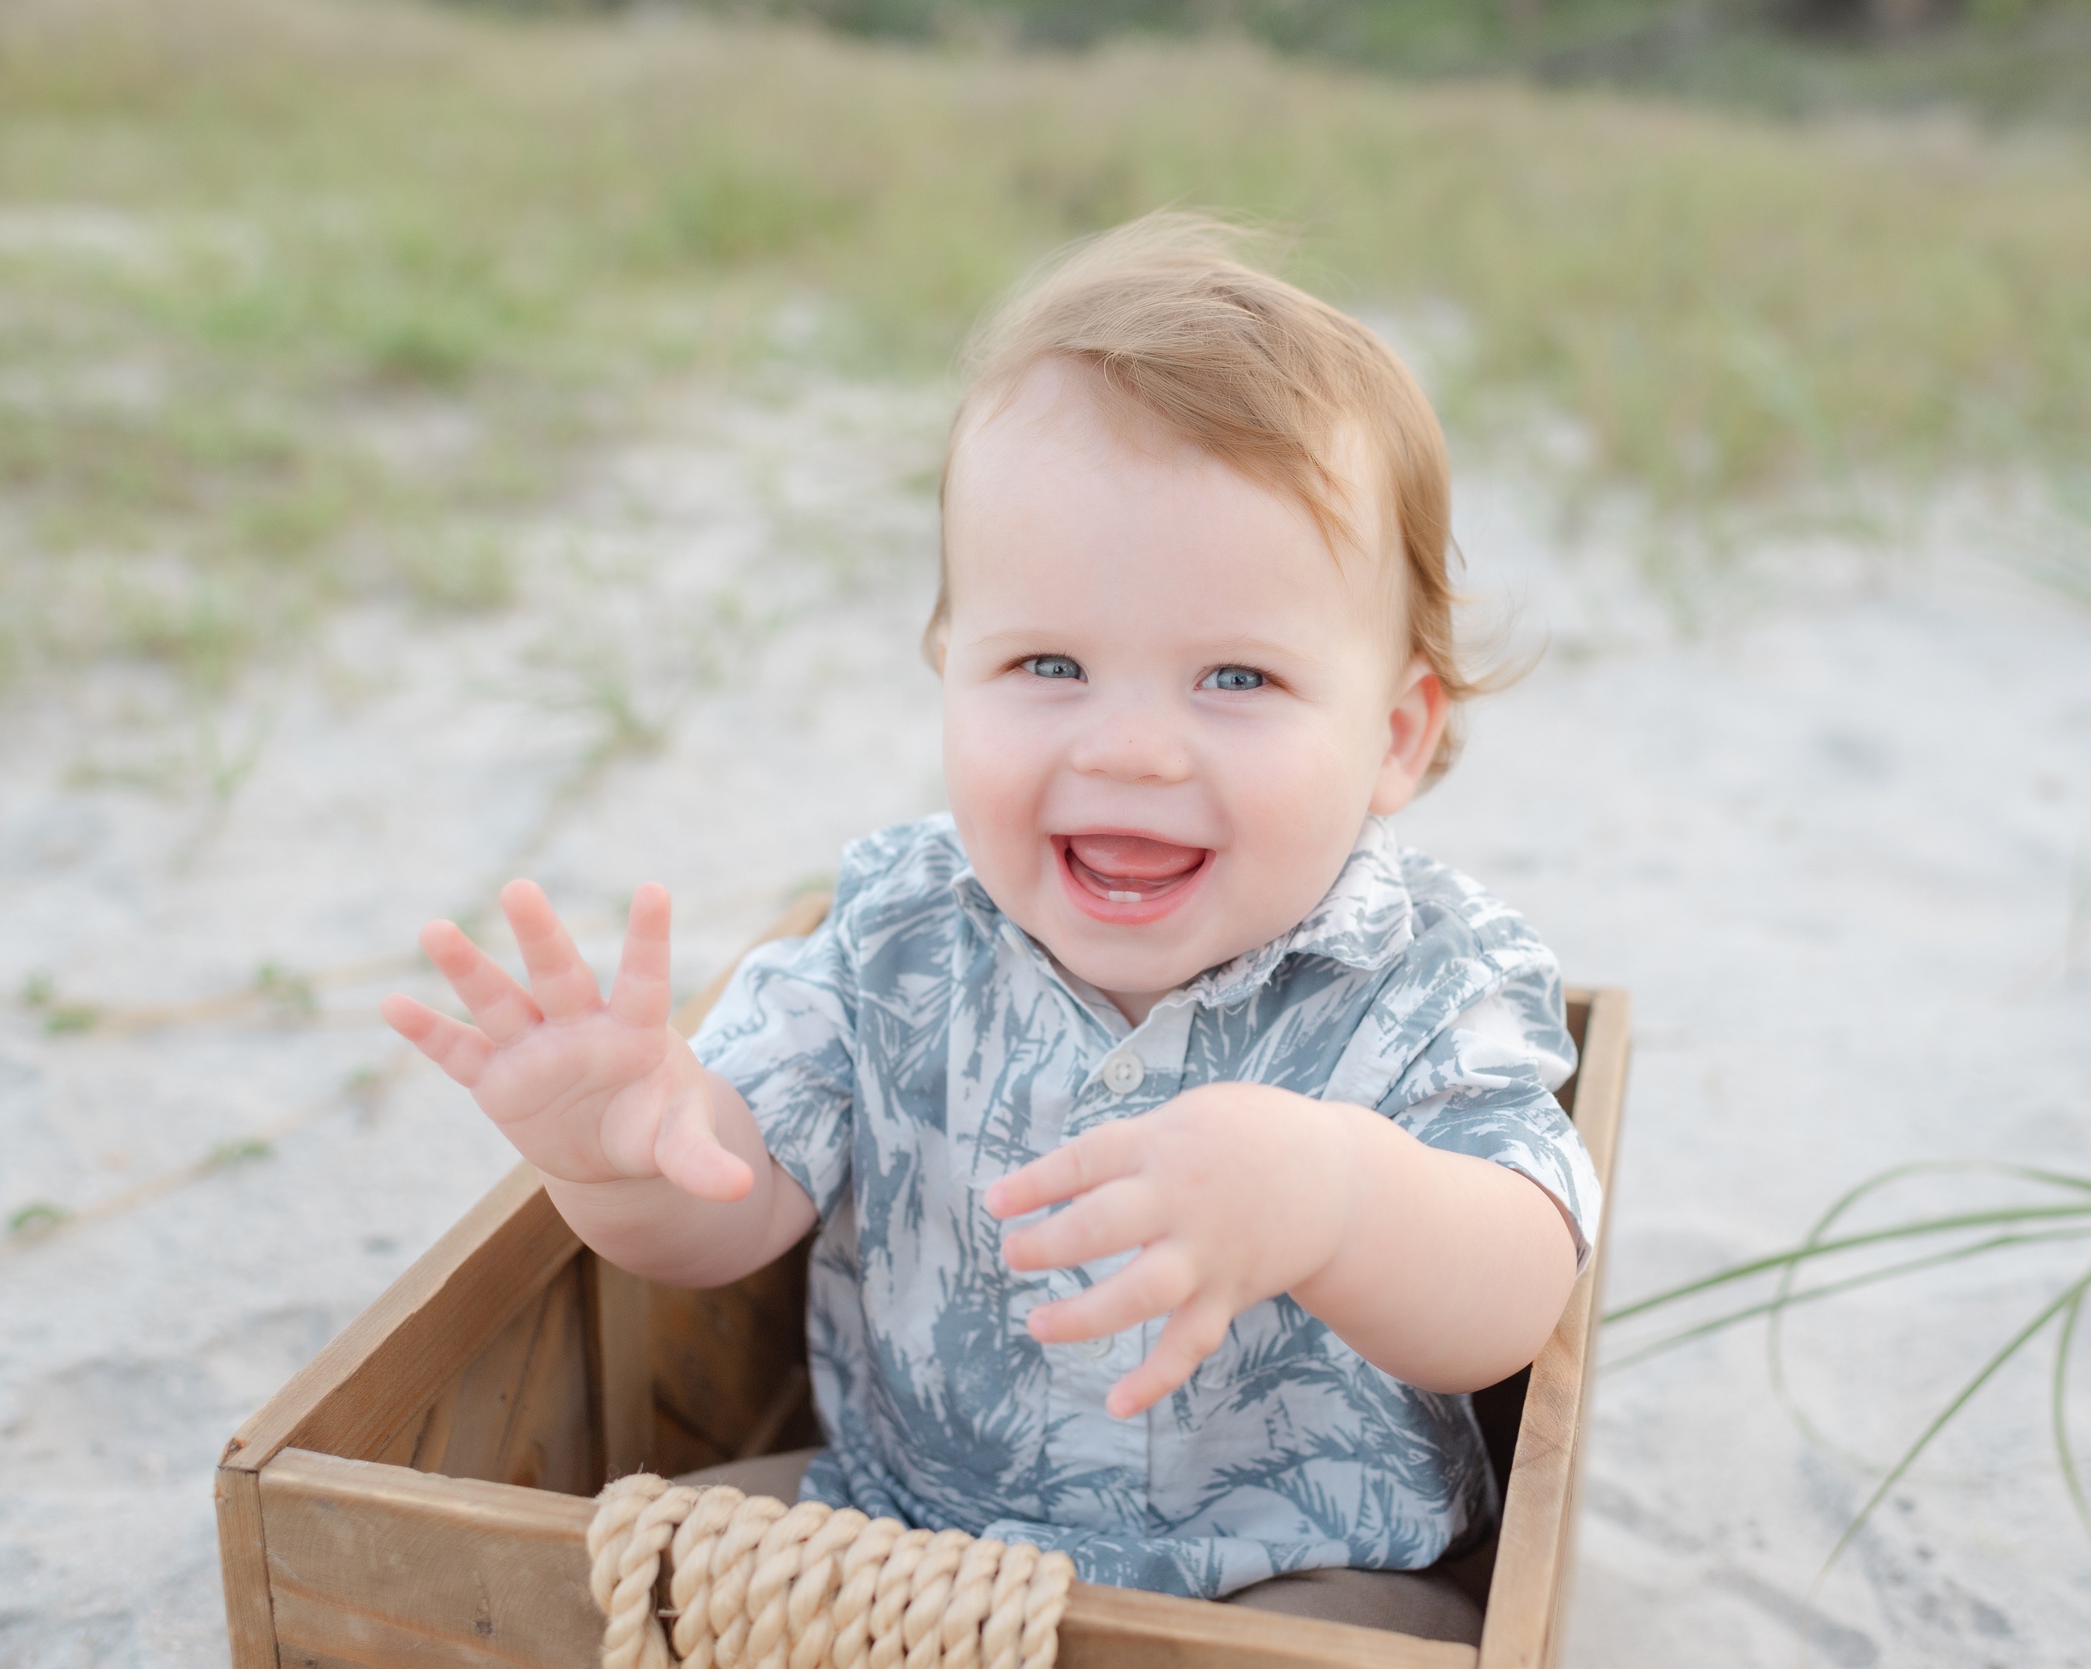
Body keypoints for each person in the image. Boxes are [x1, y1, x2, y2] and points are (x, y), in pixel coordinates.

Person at [381, 215, 1602, 1626]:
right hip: (903, 1537)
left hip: (1299, 1575)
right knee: (645, 1576)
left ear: (1393, 739)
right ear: (947, 671)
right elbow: (736, 1202)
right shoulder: (893, 935)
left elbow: (1519, 1286)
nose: (1131, 747)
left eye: (1237, 679)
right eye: (1051, 663)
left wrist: (1334, 1197)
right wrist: (624, 1156)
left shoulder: (1434, 979)